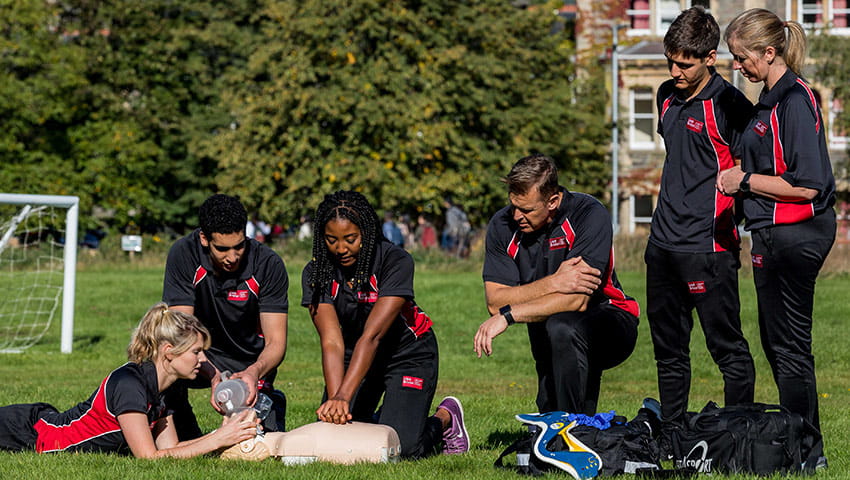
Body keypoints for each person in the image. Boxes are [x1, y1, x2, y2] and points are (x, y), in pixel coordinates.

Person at [718, 9, 836, 466]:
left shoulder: (795, 100)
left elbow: (808, 184)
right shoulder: (767, 100)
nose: (737, 66)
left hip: (797, 234)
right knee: (776, 341)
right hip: (769, 234)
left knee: (789, 346)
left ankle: (808, 453)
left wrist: (743, 181)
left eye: (742, 57)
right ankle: (797, 444)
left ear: (770, 53)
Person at [646, 6, 756, 438]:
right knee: (668, 351)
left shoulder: (731, 105)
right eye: (670, 60)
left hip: (709, 249)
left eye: (684, 63)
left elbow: (754, 168)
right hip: (662, 246)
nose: (674, 70)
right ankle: (672, 435)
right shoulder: (666, 95)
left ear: (710, 57)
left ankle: (739, 435)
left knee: (726, 348)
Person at [301, 190, 469, 458]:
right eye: (331, 240)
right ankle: (389, 415)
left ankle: (446, 419)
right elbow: (331, 341)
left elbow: (373, 335)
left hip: (406, 354)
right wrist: (336, 402)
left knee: (401, 451)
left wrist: (345, 397)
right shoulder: (316, 272)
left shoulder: (395, 261)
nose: (341, 248)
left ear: (366, 233)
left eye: (350, 239)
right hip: (354, 353)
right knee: (338, 437)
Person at [474, 154, 640, 415]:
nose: (516, 215)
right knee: (549, 409)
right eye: (513, 205)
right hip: (546, 324)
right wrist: (555, 281)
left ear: (552, 201)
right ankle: (567, 429)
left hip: (611, 318)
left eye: (527, 209)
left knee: (563, 325)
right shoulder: (502, 225)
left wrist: (509, 315)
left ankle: (571, 430)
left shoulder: (588, 214)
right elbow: (495, 301)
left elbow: (577, 300)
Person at [0, 303, 259, 457]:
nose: (203, 360)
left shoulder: (164, 388)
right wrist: (217, 440)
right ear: (169, 351)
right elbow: (148, 457)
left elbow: (172, 449)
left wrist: (223, 434)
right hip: (28, 433)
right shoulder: (129, 384)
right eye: (196, 352)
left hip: (41, 421)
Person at [162, 194, 289, 440]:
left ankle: (271, 401)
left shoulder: (268, 263)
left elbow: (276, 343)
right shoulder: (183, 253)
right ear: (203, 239)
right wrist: (212, 375)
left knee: (255, 442)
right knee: (163, 362)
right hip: (200, 353)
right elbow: (181, 333)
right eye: (222, 248)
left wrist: (254, 372)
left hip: (250, 362)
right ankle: (186, 431)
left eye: (239, 246)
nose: (232, 257)